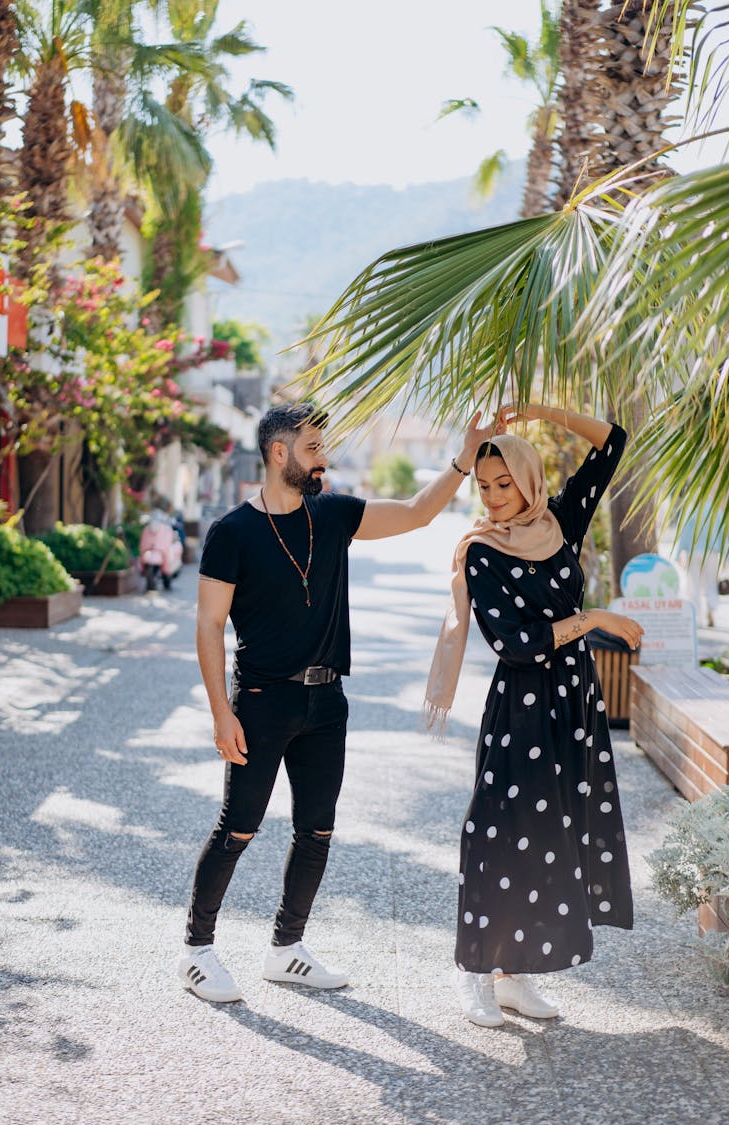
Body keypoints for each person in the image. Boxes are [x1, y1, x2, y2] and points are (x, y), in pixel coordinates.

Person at [177, 400, 494, 1002]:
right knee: (238, 828)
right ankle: (197, 951)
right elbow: (208, 625)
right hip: (263, 702)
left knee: (316, 830)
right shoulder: (232, 533)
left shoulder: (335, 515)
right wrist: (222, 711)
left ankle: (286, 949)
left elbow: (419, 513)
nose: (324, 458)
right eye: (314, 448)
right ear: (280, 453)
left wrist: (465, 455)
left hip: (329, 704)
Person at [425, 403, 644, 1027]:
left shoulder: (560, 524)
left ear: (529, 479)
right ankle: (473, 972)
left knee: (552, 837)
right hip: (521, 705)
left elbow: (612, 443)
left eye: (505, 483)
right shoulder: (481, 552)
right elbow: (514, 645)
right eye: (485, 486)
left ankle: (513, 976)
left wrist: (539, 409)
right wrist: (593, 619)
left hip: (572, 702)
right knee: (496, 833)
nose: (494, 498)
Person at [675, 504, 727, 628]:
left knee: (694, 586)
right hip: (712, 553)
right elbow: (722, 534)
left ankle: (697, 617)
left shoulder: (690, 510)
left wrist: (678, 555)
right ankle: (711, 607)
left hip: (693, 552)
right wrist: (725, 557)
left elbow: (683, 533)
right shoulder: (716, 510)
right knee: (711, 584)